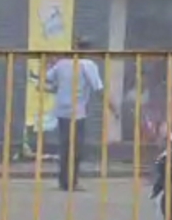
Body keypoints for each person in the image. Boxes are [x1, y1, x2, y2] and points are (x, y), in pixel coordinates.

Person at [45, 38, 119, 191]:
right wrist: (113, 108)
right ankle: (72, 182)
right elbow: (98, 89)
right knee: (76, 148)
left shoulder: (61, 64)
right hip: (77, 113)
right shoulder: (87, 65)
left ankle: (63, 181)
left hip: (61, 111)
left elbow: (47, 81)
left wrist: (51, 66)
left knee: (65, 147)